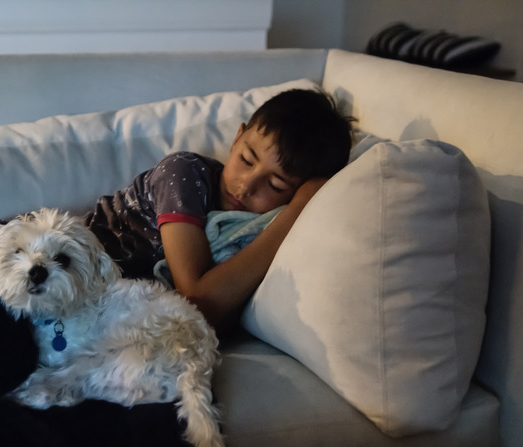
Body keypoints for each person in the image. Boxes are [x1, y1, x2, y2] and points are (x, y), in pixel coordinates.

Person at [85, 88, 354, 330]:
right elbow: (196, 302)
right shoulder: (183, 174)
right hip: (74, 267)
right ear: (237, 138)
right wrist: (296, 211)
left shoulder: (253, 228)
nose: (245, 186)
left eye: (274, 185)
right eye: (246, 160)